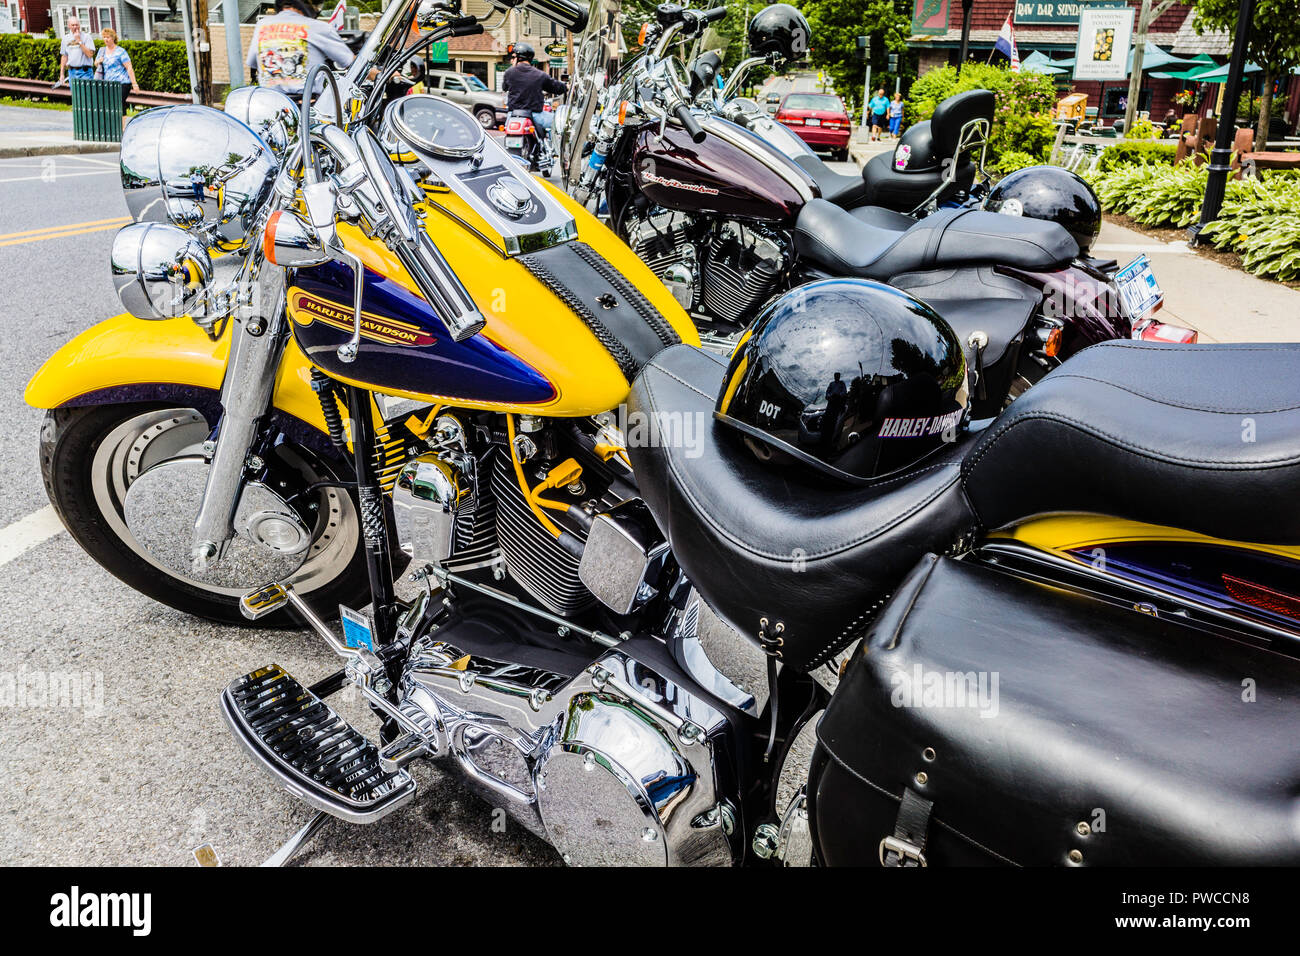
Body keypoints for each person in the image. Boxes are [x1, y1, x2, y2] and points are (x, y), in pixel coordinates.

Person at [245, 0, 355, 99]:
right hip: (305, 107)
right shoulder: (319, 27)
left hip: (269, 107)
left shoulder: (262, 25)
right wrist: (372, 75)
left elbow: (253, 63)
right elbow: (351, 62)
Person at [502, 43, 567, 170]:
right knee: (559, 124)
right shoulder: (539, 75)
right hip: (535, 115)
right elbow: (557, 87)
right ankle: (557, 153)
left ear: (518, 58)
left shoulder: (509, 73)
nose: (512, 59)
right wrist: (566, 86)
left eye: (513, 57)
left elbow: (505, 87)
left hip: (513, 115)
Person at [95, 28, 139, 103]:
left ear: (113, 38)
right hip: (108, 83)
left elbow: (129, 67)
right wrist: (99, 61)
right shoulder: (102, 50)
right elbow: (96, 64)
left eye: (108, 37)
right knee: (115, 108)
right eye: (104, 37)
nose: (106, 39)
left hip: (122, 83)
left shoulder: (120, 51)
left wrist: (134, 84)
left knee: (119, 105)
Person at [54, 15, 96, 86]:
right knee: (75, 95)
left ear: (79, 25)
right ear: (69, 26)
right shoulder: (65, 38)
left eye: (76, 25)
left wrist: (79, 41)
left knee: (86, 95)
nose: (75, 27)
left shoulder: (86, 37)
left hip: (85, 72)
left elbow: (90, 54)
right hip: (72, 72)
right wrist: (62, 74)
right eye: (73, 25)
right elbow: (64, 56)